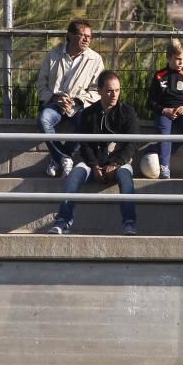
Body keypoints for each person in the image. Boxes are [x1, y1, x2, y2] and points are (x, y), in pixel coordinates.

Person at [48, 70, 139, 235]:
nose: (114, 94)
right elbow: (85, 144)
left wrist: (116, 163)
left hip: (120, 163)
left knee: (126, 179)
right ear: (100, 91)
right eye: (110, 90)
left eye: (117, 90)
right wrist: (95, 166)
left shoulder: (128, 112)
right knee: (75, 175)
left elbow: (131, 144)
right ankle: (63, 221)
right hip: (93, 163)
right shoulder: (89, 114)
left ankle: (129, 223)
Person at [36, 19, 105, 178]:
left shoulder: (95, 59)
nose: (87, 39)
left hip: (79, 106)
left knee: (88, 123)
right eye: (82, 35)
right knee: (43, 120)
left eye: (89, 36)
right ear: (70, 35)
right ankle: (64, 158)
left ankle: (58, 158)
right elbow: (41, 84)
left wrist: (77, 101)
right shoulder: (53, 55)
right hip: (54, 104)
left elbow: (97, 90)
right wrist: (54, 97)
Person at [147, 39, 183, 180]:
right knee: (164, 135)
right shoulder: (159, 76)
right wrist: (163, 110)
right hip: (164, 113)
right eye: (178, 59)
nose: (181, 62)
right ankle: (165, 167)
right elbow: (150, 102)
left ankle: (158, 150)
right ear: (168, 57)